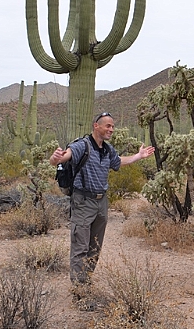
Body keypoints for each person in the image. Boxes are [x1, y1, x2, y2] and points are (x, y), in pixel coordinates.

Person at [49, 112, 154, 284]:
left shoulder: (107, 149)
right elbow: (65, 156)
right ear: (96, 126)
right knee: (80, 247)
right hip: (83, 201)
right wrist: (55, 159)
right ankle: (79, 289)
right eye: (108, 126)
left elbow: (118, 161)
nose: (111, 129)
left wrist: (138, 156)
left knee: (95, 246)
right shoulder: (82, 146)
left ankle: (86, 280)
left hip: (101, 202)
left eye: (113, 126)